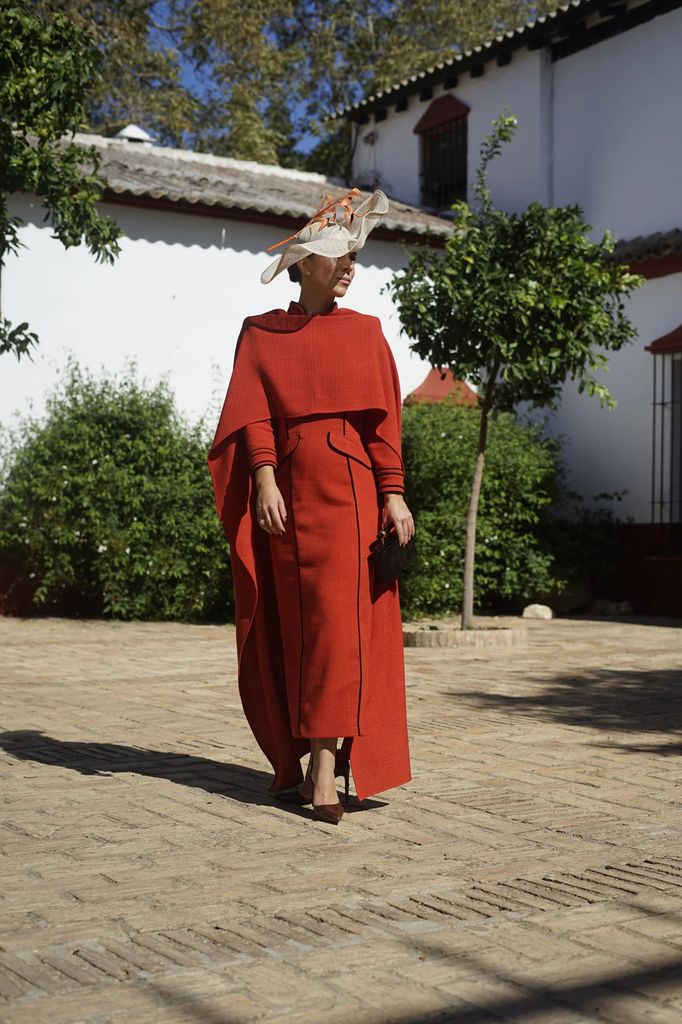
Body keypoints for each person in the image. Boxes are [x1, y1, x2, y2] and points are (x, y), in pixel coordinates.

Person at [208, 188, 414, 824]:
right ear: (304, 265)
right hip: (288, 503)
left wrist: (394, 491)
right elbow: (254, 415)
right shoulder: (262, 334)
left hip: (352, 499)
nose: (349, 265)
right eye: (335, 256)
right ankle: (294, 764)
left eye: (354, 254)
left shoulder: (366, 333)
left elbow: (383, 426)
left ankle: (324, 772)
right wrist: (264, 479)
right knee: (289, 625)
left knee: (338, 627)